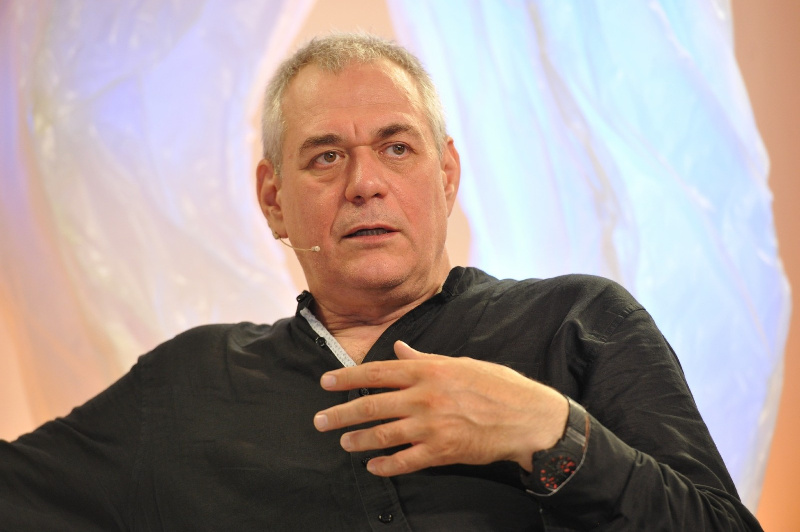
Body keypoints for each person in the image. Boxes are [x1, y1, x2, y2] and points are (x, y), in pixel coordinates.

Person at [0, 33, 762, 531]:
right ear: (273, 199)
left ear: (447, 174)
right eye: (326, 156)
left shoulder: (578, 322)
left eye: (397, 148)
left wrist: (549, 432)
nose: (365, 183)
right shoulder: (187, 385)